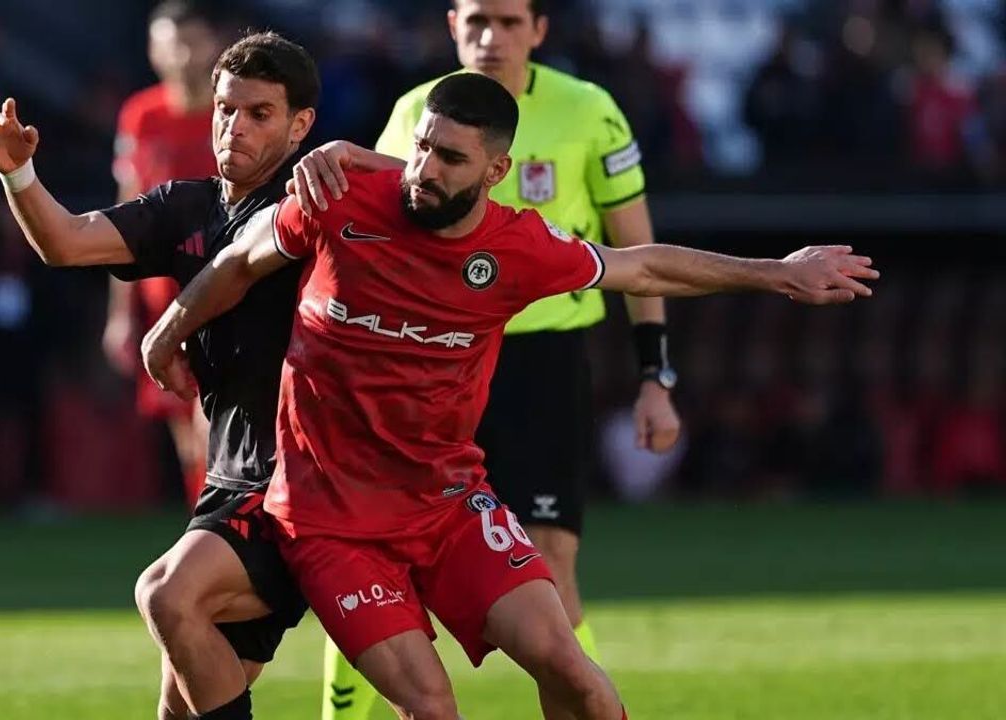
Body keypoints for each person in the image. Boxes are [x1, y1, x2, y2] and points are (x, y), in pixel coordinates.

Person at [142, 73, 877, 720]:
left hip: (447, 504)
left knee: (572, 671)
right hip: (332, 524)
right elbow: (238, 262)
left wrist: (775, 272)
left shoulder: (518, 248)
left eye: (450, 158)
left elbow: (642, 267)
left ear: (496, 171)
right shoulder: (342, 201)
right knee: (431, 705)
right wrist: (167, 333)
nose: (423, 171)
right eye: (421, 148)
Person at [0, 32, 360, 720]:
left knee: (166, 594)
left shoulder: (315, 205)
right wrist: (19, 174)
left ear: (301, 125)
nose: (234, 127)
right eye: (225, 109)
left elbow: (428, 185)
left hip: (300, 484)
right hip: (231, 475)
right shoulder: (186, 207)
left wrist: (353, 154)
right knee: (178, 708)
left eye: (259, 114)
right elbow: (66, 241)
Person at [325, 2, 683, 713]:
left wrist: (655, 375)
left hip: (540, 362)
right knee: (371, 562)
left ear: (539, 30)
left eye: (510, 22)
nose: (491, 37)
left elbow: (637, 250)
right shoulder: (416, 113)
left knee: (549, 567)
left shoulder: (589, 111)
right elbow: (374, 225)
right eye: (477, 20)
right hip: (434, 361)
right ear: (451, 23)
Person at [103, 0, 225, 507]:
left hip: (224, 291)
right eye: (170, 43)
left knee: (213, 427)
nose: (181, 54)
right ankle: (206, 529)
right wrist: (120, 313)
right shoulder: (141, 114)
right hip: (162, 299)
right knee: (187, 440)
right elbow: (125, 212)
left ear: (213, 42)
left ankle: (224, 533)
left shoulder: (233, 111)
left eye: (191, 41)